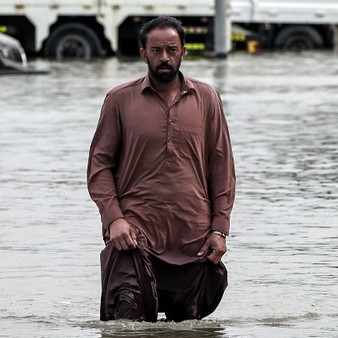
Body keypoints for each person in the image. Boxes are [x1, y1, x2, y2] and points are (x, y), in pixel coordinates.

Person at [87, 15, 236, 322]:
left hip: (193, 238)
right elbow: (99, 166)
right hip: (133, 235)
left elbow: (221, 167)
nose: (164, 57)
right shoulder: (119, 100)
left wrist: (220, 229)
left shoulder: (207, 99)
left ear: (183, 52)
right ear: (143, 53)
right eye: (156, 50)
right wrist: (114, 219)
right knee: (127, 332)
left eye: (171, 49)